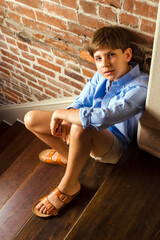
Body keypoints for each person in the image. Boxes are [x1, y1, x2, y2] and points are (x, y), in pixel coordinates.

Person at [24, 26, 149, 218]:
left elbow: (103, 117)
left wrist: (63, 115)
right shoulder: (101, 75)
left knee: (82, 126)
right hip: (85, 130)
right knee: (30, 119)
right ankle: (68, 157)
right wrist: (66, 115)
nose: (105, 64)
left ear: (127, 54)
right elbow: (81, 102)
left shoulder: (140, 86)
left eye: (111, 55)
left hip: (114, 146)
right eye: (99, 58)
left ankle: (68, 186)